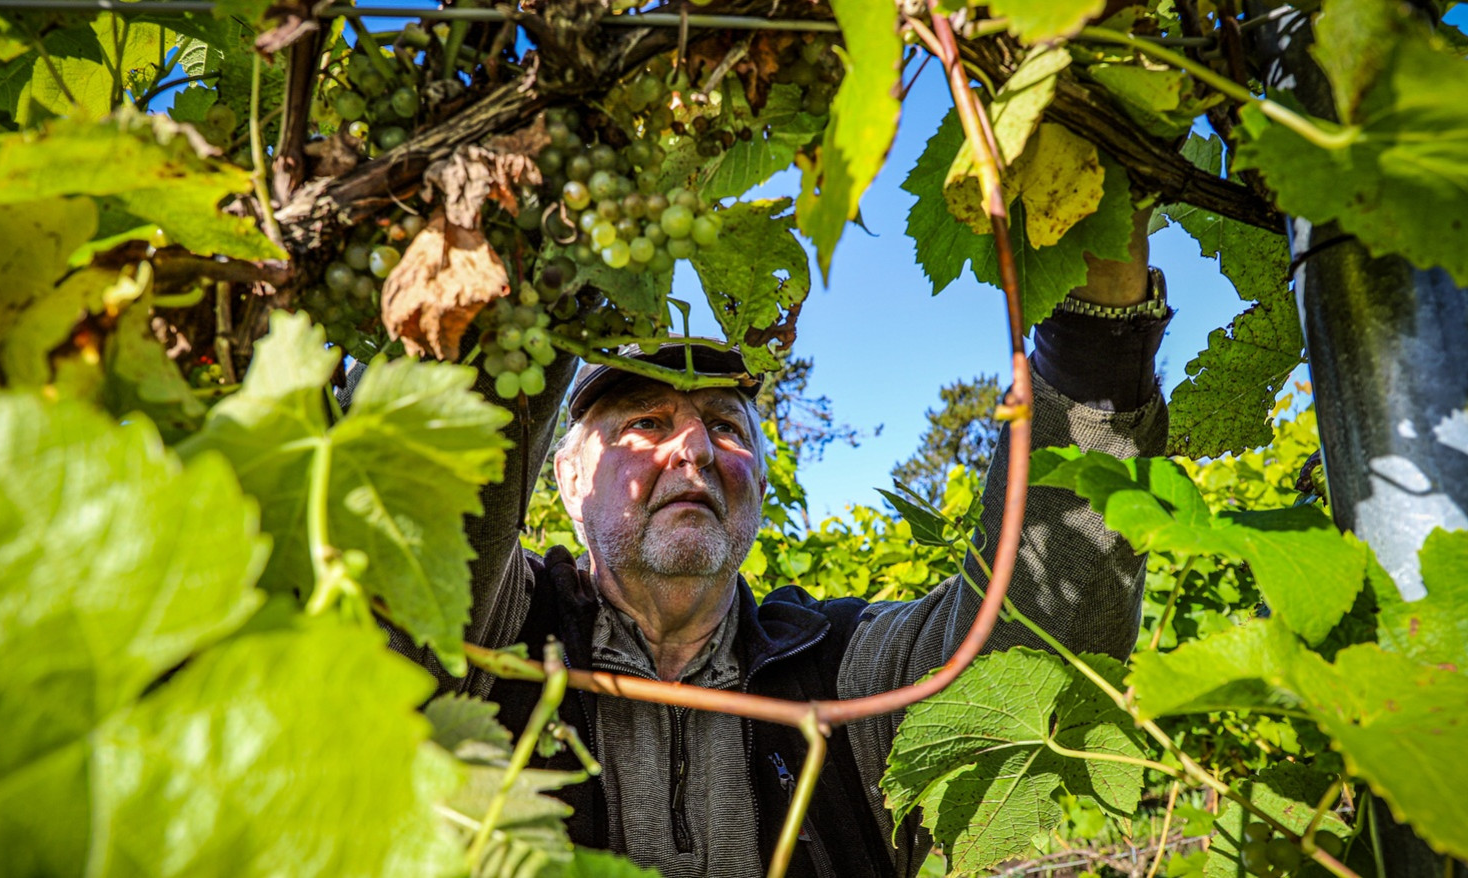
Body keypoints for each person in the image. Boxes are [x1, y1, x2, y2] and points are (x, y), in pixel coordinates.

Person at [363, 216, 1170, 877]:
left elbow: (1036, 645)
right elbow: (439, 511)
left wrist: (1096, 333)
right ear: (568, 480)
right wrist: (545, 249)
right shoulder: (493, 636)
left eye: (723, 426)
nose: (695, 450)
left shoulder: (842, 673)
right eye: (647, 423)